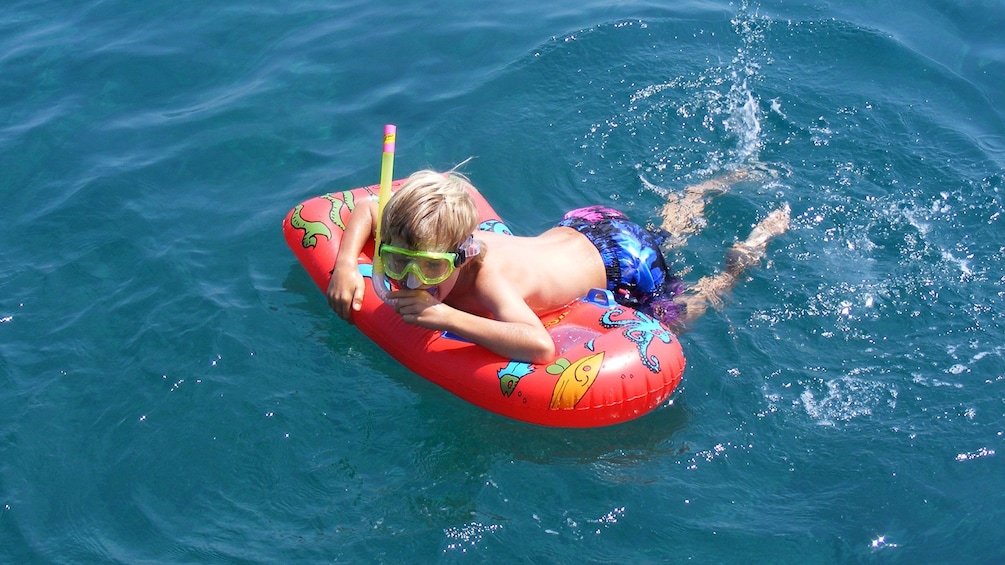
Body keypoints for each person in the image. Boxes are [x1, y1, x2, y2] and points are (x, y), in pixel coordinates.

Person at [327, 169, 789, 363]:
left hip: (624, 265)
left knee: (681, 315)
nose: (408, 280)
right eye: (395, 261)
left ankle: (735, 266)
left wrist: (446, 316)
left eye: (428, 270)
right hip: (586, 227)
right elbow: (369, 209)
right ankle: (699, 194)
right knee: (667, 227)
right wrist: (347, 264)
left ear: (461, 255)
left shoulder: (488, 278)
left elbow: (540, 347)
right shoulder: (423, 241)